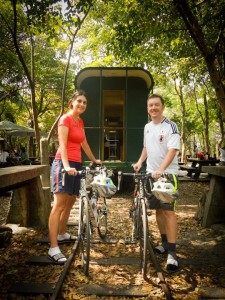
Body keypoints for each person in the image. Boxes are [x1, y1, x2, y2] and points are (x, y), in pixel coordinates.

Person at [48, 90, 101, 264]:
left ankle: (62, 233)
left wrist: (94, 159)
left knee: (70, 202)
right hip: (63, 164)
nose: (82, 105)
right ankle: (53, 247)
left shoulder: (80, 121)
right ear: (72, 102)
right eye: (79, 101)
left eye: (85, 102)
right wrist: (66, 166)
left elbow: (83, 142)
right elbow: (62, 144)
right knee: (59, 204)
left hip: (76, 165)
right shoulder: (65, 119)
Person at [133, 94, 180, 272]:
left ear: (163, 106)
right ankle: (164, 243)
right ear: (148, 108)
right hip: (150, 175)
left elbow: (173, 150)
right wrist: (139, 162)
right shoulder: (147, 127)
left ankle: (173, 254)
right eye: (151, 105)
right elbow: (146, 148)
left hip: (167, 175)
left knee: (168, 212)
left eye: (157, 105)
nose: (153, 108)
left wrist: (161, 169)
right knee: (158, 211)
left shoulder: (171, 126)